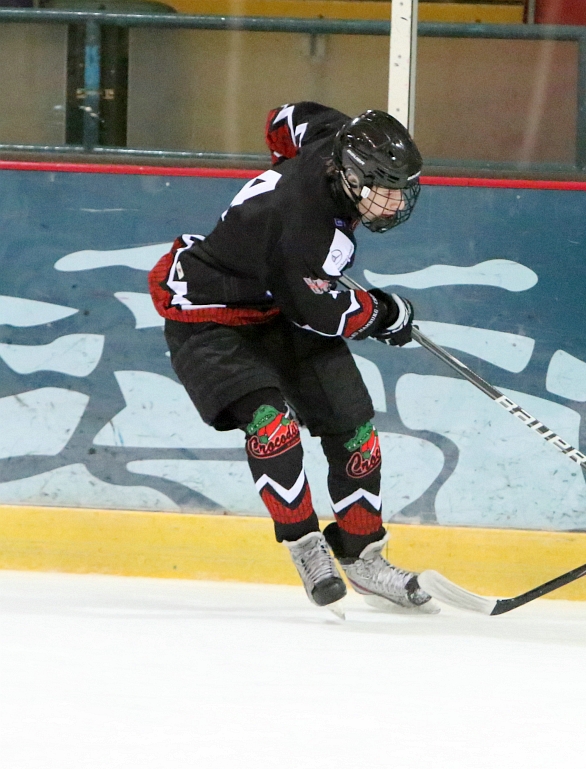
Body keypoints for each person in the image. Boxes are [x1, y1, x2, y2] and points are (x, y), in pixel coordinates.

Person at [147, 102, 436, 616]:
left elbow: (283, 120)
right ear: (351, 177)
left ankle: (363, 557)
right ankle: (305, 545)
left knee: (355, 433)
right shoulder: (307, 229)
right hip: (210, 315)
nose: (395, 203)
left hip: (279, 304)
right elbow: (322, 311)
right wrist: (384, 314)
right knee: (272, 426)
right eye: (384, 189)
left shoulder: (333, 134)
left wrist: (281, 171)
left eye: (402, 188)